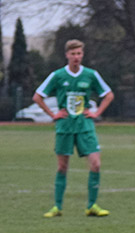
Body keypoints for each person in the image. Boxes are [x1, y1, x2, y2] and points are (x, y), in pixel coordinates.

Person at [33, 39, 114, 218]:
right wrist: (53, 114)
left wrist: (96, 112)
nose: (76, 57)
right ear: (67, 55)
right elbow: (37, 96)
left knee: (96, 164)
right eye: (73, 54)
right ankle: (57, 207)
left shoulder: (91, 74)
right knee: (62, 166)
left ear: (82, 55)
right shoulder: (58, 75)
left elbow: (109, 95)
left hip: (85, 125)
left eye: (79, 53)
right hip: (65, 126)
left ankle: (92, 206)